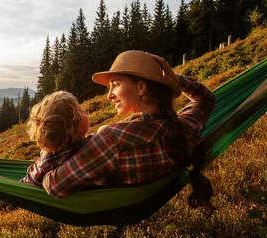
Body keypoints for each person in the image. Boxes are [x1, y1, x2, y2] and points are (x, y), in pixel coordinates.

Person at [38, 50, 217, 210]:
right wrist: (177, 80)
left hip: (121, 208)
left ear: (140, 87)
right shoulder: (184, 128)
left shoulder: (112, 139)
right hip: (150, 200)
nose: (109, 95)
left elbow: (54, 185)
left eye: (115, 84)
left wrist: (46, 162)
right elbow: (206, 99)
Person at [21, 91, 95, 186]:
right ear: (72, 127)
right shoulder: (89, 144)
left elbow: (31, 179)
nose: (85, 112)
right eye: (80, 111)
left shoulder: (48, 158)